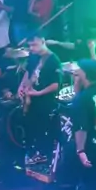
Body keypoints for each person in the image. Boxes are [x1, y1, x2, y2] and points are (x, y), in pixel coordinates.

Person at [48, 59, 96, 190]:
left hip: (87, 147)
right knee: (92, 180)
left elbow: (81, 128)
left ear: (85, 74)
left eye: (78, 71)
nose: (75, 72)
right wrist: (77, 84)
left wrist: (80, 151)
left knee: (67, 177)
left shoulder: (83, 99)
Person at [18, 35, 61, 165]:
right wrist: (21, 86)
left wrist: (38, 93)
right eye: (30, 45)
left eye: (34, 45)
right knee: (30, 126)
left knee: (41, 128)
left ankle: (42, 154)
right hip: (31, 99)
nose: (32, 48)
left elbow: (56, 85)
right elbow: (28, 72)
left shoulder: (53, 60)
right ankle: (32, 152)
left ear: (43, 42)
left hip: (44, 100)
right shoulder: (33, 56)